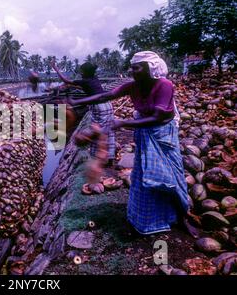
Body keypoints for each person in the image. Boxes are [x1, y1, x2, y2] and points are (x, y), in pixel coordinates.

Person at [68, 51, 193, 236]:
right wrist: (77, 101)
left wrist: (123, 123)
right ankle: (149, 218)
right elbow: (105, 96)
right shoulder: (133, 86)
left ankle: (182, 216)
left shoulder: (164, 85)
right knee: (145, 177)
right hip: (145, 135)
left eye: (136, 67)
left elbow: (157, 117)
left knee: (171, 177)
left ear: (150, 68)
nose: (131, 70)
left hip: (163, 135)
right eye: (131, 67)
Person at [52, 60, 116, 166]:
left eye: (82, 71)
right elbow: (82, 87)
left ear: (86, 72)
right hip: (108, 105)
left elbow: (65, 80)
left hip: (99, 107)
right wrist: (72, 86)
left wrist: (55, 68)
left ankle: (97, 158)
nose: (81, 73)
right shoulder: (94, 79)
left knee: (96, 130)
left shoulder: (85, 81)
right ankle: (110, 158)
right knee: (108, 130)